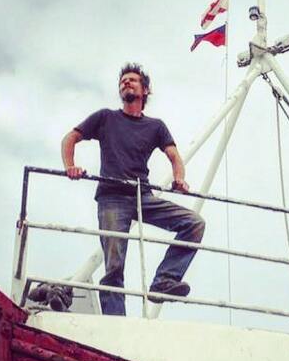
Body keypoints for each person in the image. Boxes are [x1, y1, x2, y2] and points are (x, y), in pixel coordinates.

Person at [60, 63, 205, 316]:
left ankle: (165, 280)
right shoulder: (106, 117)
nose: (126, 83)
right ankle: (116, 324)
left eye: (132, 80)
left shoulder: (156, 126)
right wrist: (70, 166)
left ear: (145, 90)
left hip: (142, 196)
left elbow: (174, 157)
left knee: (194, 223)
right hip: (112, 197)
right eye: (123, 81)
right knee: (114, 266)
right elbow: (69, 138)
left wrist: (180, 179)